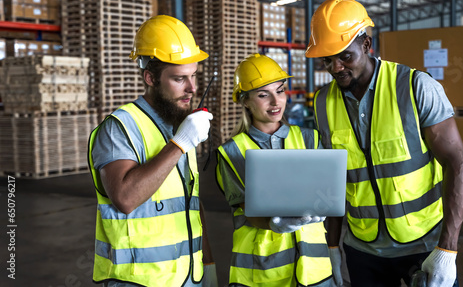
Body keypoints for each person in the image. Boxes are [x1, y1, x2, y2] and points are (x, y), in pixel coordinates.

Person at [305, 0, 463, 287]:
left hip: (424, 245)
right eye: (327, 60)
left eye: (345, 56)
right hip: (362, 250)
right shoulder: (322, 103)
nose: (336, 67)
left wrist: (447, 249)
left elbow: (457, 165)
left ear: (366, 45)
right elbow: (332, 182)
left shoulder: (415, 86)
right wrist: (330, 247)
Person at [88, 15, 218, 287]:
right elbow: (125, 198)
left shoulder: (180, 125)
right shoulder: (120, 127)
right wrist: (179, 145)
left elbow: (189, 202)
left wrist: (208, 263)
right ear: (150, 78)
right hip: (139, 281)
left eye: (193, 76)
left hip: (187, 277)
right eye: (179, 79)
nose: (192, 88)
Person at [216, 53, 337, 287]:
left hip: (314, 271)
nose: (276, 102)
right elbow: (247, 210)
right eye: (263, 95)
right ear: (245, 101)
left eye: (280, 91)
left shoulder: (309, 139)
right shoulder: (233, 151)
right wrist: (274, 223)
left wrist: (332, 245)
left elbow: (326, 195)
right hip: (261, 274)